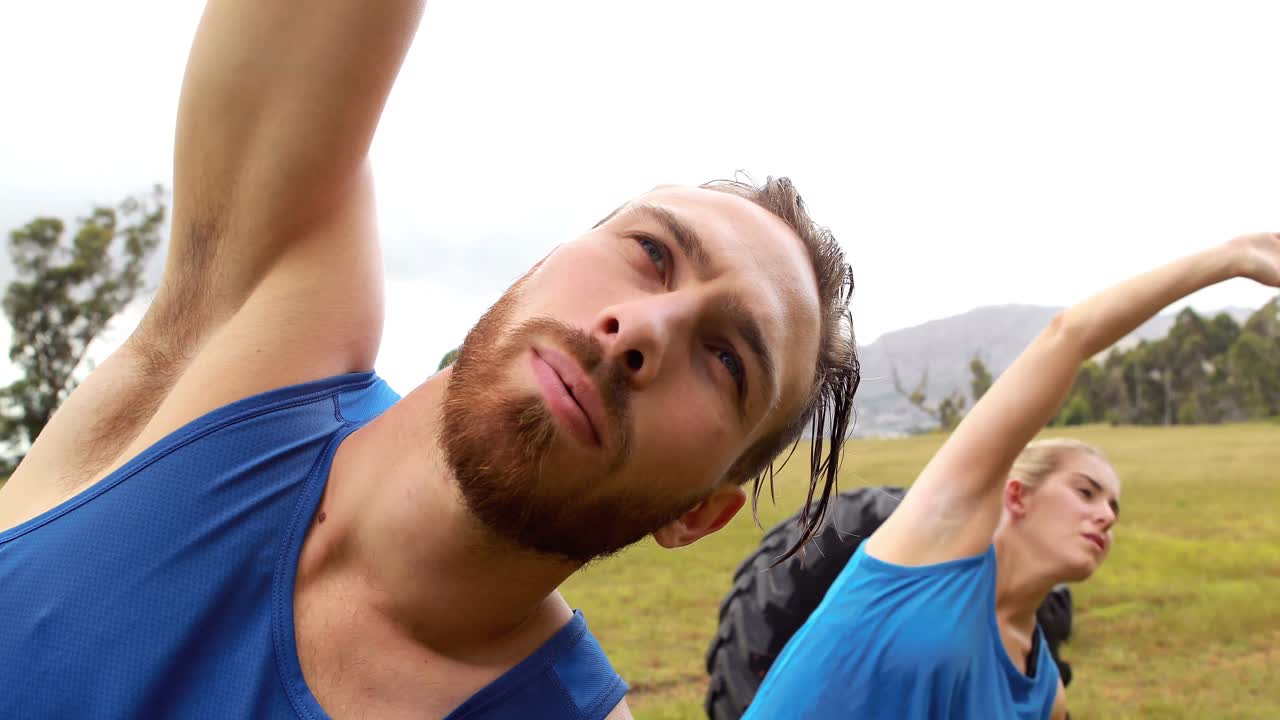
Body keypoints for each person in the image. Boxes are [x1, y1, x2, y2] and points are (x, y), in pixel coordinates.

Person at [0, 2, 858, 719]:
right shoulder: (243, 338)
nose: (645, 330)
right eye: (651, 252)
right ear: (544, 261)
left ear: (699, 515)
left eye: (726, 360)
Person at [744, 233, 1280, 720]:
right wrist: (1234, 259)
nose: (1106, 516)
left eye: (1114, 507)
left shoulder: (1044, 691)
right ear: (1018, 495)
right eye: (1086, 491)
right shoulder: (934, 546)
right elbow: (1067, 337)